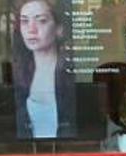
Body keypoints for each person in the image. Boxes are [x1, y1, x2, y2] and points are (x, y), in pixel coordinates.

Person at [12, 0, 77, 139]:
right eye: (24, 21)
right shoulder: (20, 75)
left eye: (41, 21)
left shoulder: (70, 73)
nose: (31, 29)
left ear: (59, 28)